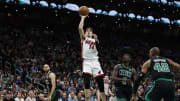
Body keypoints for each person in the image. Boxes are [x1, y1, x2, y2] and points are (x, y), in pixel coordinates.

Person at [78, 16, 106, 101]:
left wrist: (96, 39)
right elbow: (80, 28)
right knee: (86, 82)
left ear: (92, 33)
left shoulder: (95, 41)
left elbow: (100, 49)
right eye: (87, 31)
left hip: (95, 62)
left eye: (90, 31)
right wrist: (82, 18)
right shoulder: (83, 39)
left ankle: (104, 100)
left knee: (101, 84)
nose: (88, 32)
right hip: (87, 62)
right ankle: (87, 99)